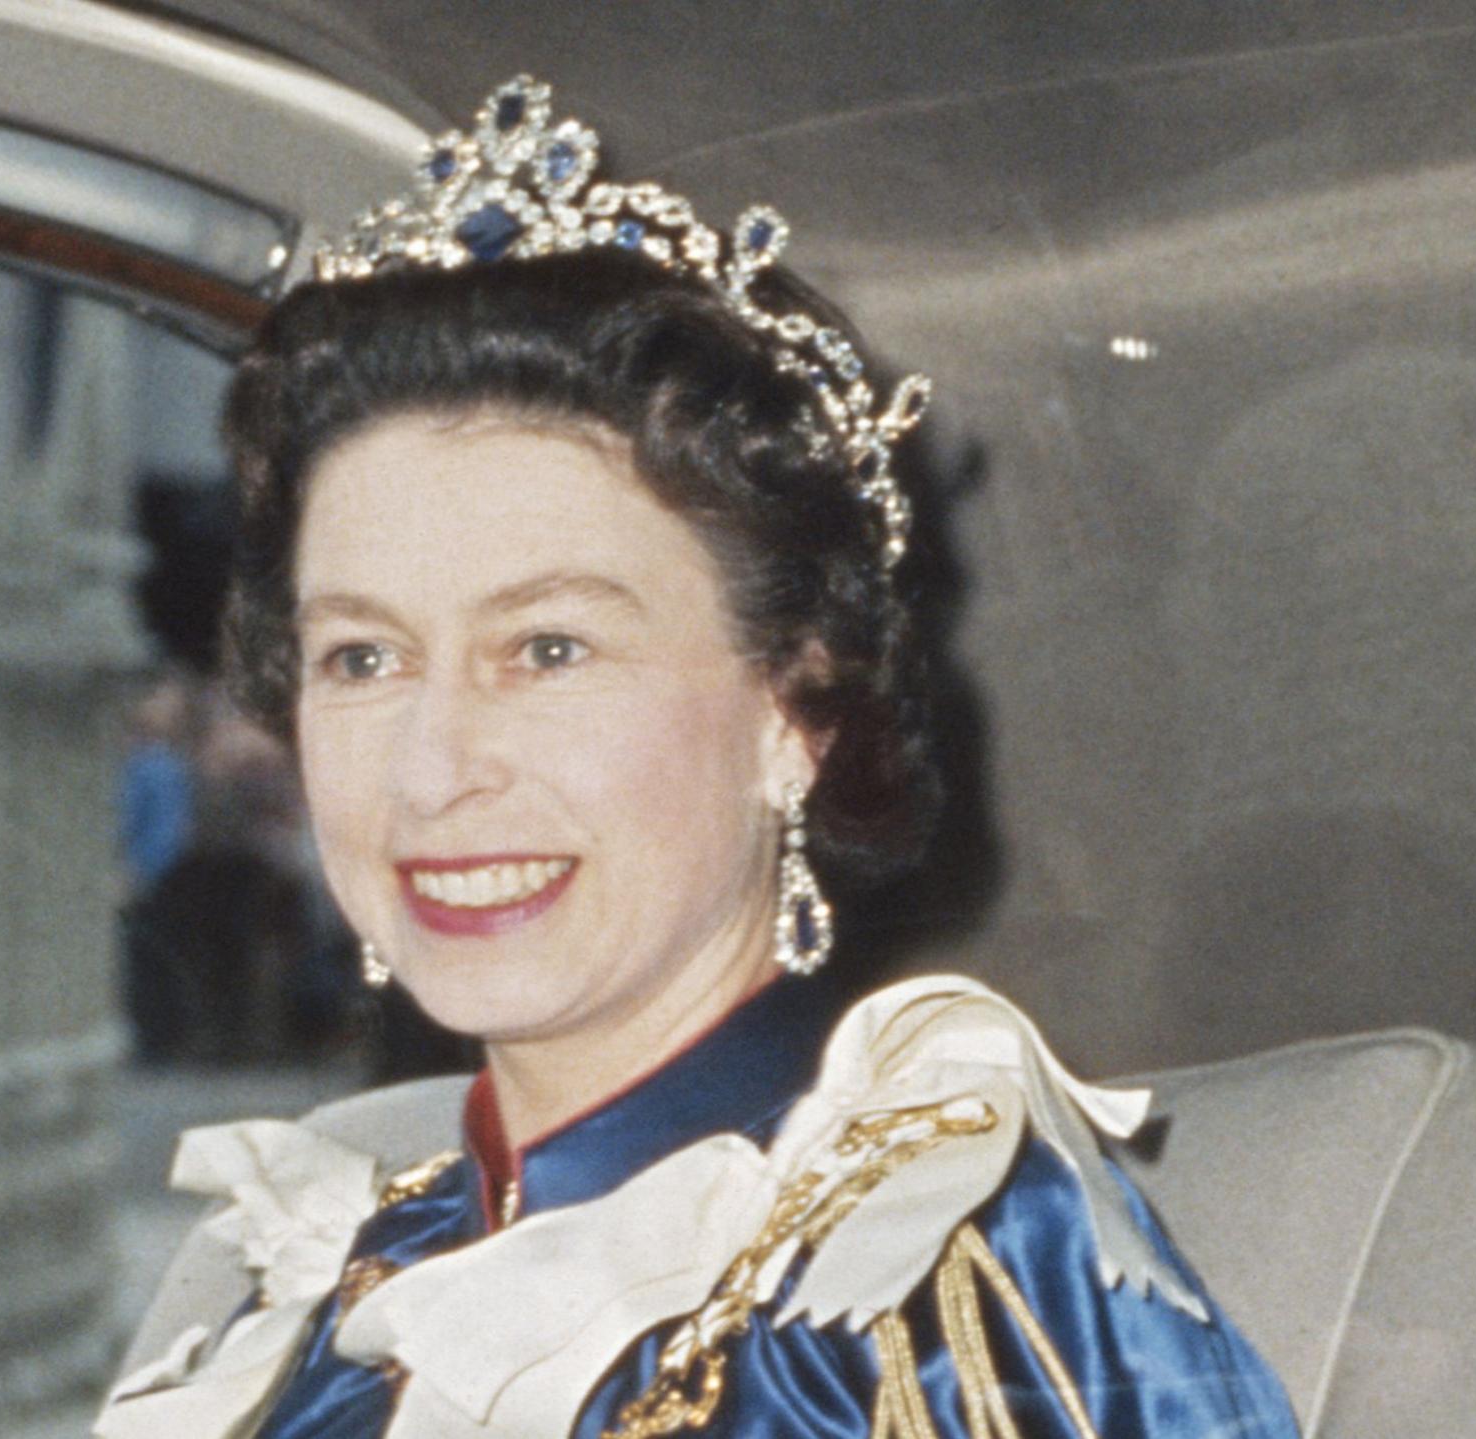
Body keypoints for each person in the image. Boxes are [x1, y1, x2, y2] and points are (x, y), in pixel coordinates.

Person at [95, 76, 1300, 1439]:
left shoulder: (943, 1293)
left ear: (793, 711)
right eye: (362, 659)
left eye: (549, 649)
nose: (431, 773)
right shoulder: (339, 1282)